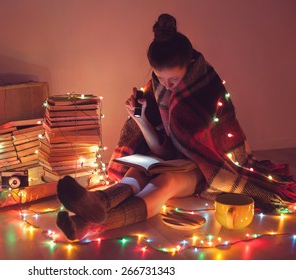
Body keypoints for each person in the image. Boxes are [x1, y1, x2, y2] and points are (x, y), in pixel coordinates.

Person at [55, 14, 296, 242]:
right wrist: (141, 121)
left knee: (164, 183)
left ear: (190, 66)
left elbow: (207, 153)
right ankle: (95, 203)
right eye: (159, 78)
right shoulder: (158, 89)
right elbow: (163, 152)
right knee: (135, 173)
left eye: (173, 80)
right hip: (170, 160)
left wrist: (173, 159)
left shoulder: (207, 90)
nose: (166, 86)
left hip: (205, 169)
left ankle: (91, 225)